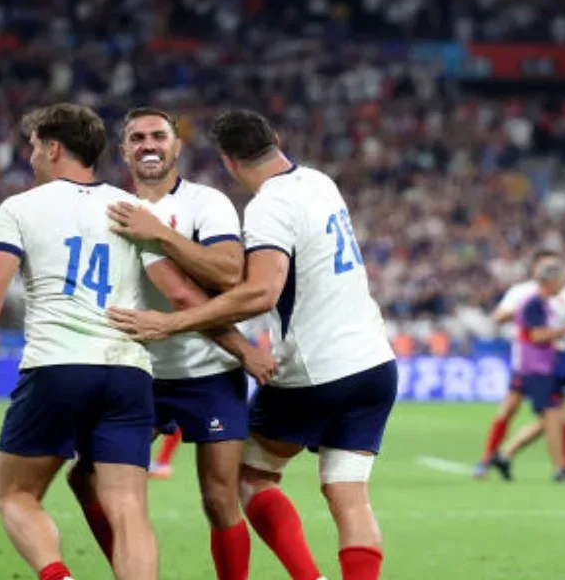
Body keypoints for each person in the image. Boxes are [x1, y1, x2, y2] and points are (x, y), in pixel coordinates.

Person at [109, 109, 397, 580]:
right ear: (276, 140)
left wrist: (174, 322)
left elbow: (260, 291)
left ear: (228, 162)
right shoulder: (320, 181)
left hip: (316, 369)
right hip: (374, 364)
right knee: (350, 496)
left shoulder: (268, 206)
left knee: (250, 476)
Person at [0, 103, 207, 580]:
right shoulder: (134, 210)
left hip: (57, 366)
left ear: (54, 147)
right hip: (128, 371)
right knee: (128, 507)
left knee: (16, 495)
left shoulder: (21, 208)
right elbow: (180, 293)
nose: (31, 157)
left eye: (35, 147)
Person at [64, 107, 276, 580]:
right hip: (134, 372)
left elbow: (226, 273)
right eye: (136, 137)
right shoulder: (109, 207)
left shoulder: (208, 203)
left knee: (219, 499)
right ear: (123, 150)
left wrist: (159, 233)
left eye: (158, 135)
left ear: (176, 145)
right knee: (87, 479)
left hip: (208, 371)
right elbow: (165, 291)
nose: (148, 144)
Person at [474, 250, 565, 480]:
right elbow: (504, 319)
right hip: (530, 362)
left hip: (555, 361)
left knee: (555, 416)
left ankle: (512, 456)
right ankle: (490, 458)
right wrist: (526, 315)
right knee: (515, 410)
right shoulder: (525, 295)